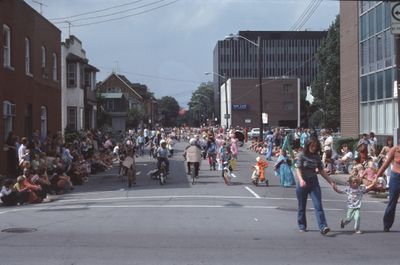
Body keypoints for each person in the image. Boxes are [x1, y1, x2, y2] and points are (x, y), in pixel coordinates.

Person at [294, 137, 336, 234]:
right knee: (301, 206)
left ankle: (323, 226)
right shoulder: (301, 155)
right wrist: (300, 180)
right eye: (312, 146)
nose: (313, 148)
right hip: (302, 182)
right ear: (308, 145)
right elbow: (297, 168)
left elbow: (321, 170)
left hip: (313, 182)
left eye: (315, 147)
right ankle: (302, 225)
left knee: (318, 205)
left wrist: (331, 181)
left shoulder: (316, 157)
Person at [373, 142, 400, 232]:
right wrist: (377, 176)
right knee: (392, 201)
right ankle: (387, 225)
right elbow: (385, 164)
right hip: (396, 177)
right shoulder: (394, 150)